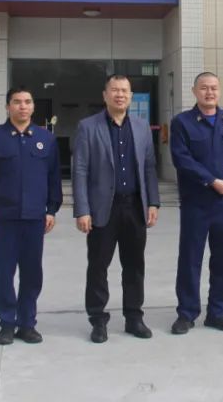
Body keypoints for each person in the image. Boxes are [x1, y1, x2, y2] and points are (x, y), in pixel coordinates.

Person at [72, 74, 161, 344]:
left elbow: (149, 167)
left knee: (134, 265)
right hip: (103, 208)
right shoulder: (88, 127)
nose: (120, 95)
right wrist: (82, 209)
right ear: (105, 95)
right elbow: (80, 169)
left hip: (134, 206)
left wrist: (153, 202)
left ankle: (134, 317)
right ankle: (98, 320)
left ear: (130, 96)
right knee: (98, 266)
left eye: (124, 90)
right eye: (114, 90)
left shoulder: (141, 127)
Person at [0, 86, 62, 345]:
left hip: (36, 218)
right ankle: (6, 324)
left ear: (33, 107)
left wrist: (51, 210)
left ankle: (27, 324)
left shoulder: (46, 139)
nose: (22, 106)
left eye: (27, 101)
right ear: (7, 107)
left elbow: (54, 178)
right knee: (5, 273)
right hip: (5, 217)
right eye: (17, 102)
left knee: (32, 273)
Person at [169, 72, 223, 334]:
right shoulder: (182, 123)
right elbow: (181, 159)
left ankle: (217, 312)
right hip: (196, 203)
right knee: (191, 258)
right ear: (194, 91)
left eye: (213, 88)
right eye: (204, 88)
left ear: (219, 91)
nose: (209, 92)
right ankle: (187, 313)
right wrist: (212, 181)